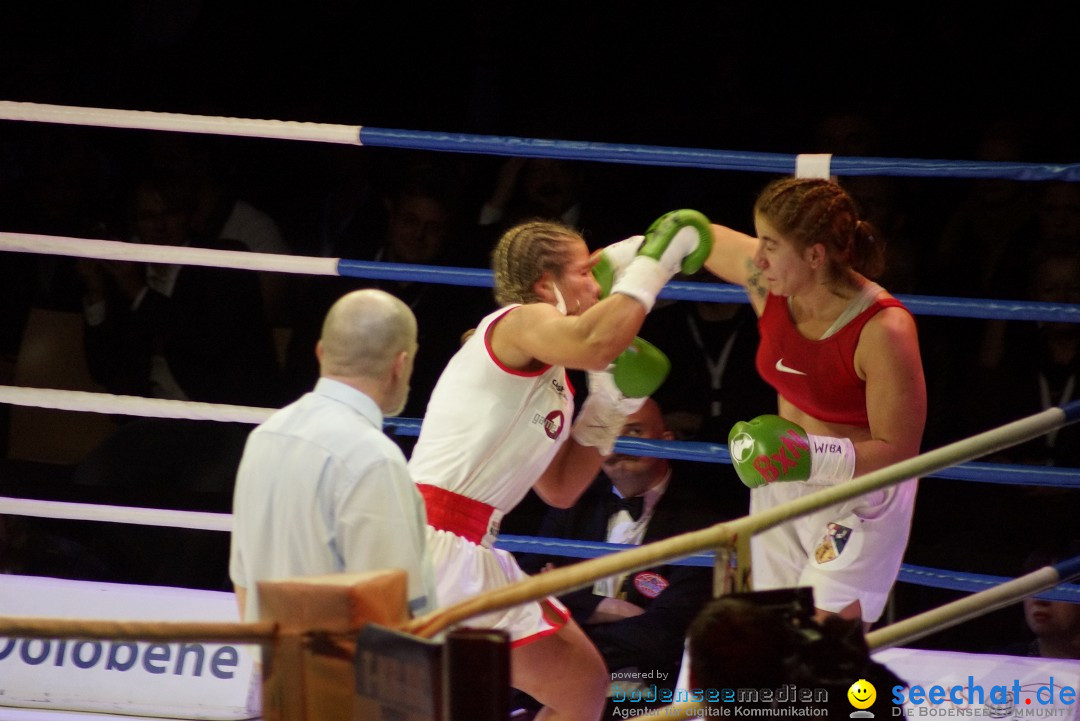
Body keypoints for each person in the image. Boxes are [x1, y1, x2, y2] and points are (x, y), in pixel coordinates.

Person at [407, 215, 712, 720]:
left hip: (466, 544)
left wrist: (610, 404)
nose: (596, 285)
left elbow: (560, 489)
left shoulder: (552, 380)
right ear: (545, 284)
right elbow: (596, 342)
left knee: (584, 686)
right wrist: (653, 265)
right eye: (584, 272)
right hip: (437, 540)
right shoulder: (519, 320)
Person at [700, 176, 927, 628]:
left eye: (769, 244)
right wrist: (625, 262)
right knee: (766, 635)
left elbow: (900, 449)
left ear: (815, 255)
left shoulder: (883, 329)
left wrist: (808, 457)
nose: (756, 257)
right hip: (781, 483)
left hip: (858, 493)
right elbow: (693, 234)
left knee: (823, 650)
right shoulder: (771, 281)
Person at [516, 398, 734, 718]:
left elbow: (663, 636)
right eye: (611, 434)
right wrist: (607, 608)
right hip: (558, 674)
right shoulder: (572, 502)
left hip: (644, 681)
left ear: (666, 443)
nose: (620, 444)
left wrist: (570, 619)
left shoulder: (700, 521)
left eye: (634, 431)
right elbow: (524, 588)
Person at [229, 289, 436, 622]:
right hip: (346, 671)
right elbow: (390, 612)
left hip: (272, 664)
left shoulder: (263, 436)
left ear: (321, 352)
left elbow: (244, 583)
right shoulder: (374, 457)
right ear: (401, 364)